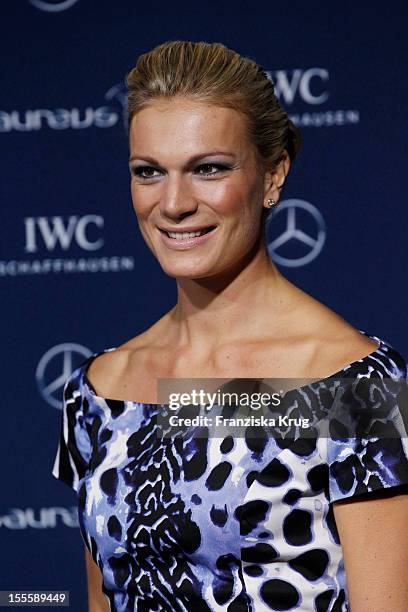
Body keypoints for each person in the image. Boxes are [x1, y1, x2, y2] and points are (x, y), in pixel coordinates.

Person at [51, 40, 408, 612]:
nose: (173, 203)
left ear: (273, 176)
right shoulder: (98, 391)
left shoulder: (353, 387)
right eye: (149, 172)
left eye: (209, 169)